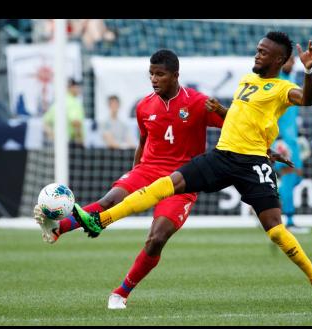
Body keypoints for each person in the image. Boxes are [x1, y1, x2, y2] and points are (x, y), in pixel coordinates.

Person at [72, 32, 312, 307]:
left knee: (275, 230)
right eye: (257, 50)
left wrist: (308, 71)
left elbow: (306, 99)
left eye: (263, 52)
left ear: (279, 60)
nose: (257, 54)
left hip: (253, 164)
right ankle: (100, 221)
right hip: (222, 155)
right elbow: (241, 120)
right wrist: (224, 111)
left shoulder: (282, 88)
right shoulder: (247, 80)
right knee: (167, 183)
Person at [35, 49, 230, 309]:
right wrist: (134, 174)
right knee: (111, 199)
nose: (154, 79)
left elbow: (235, 125)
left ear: (175, 75)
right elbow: (142, 141)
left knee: (157, 238)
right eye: (151, 74)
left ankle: (121, 293)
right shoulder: (144, 106)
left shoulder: (198, 103)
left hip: (183, 179)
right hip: (148, 169)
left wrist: (229, 115)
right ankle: (58, 228)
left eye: (159, 74)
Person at [272, 54, 310, 234]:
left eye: (294, 60)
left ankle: (267, 200)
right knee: (288, 176)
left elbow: (291, 115)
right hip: (281, 140)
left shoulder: (291, 80)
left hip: (293, 139)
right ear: (279, 61)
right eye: (290, 60)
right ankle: (289, 220)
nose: (293, 63)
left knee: (298, 177)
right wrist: (278, 139)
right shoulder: (276, 82)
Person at [43, 78, 85, 146]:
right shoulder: (73, 102)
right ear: (71, 88)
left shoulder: (57, 103)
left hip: (59, 145)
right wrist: (80, 141)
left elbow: (45, 123)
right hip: (72, 143)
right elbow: (76, 122)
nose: (79, 89)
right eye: (77, 86)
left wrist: (54, 136)